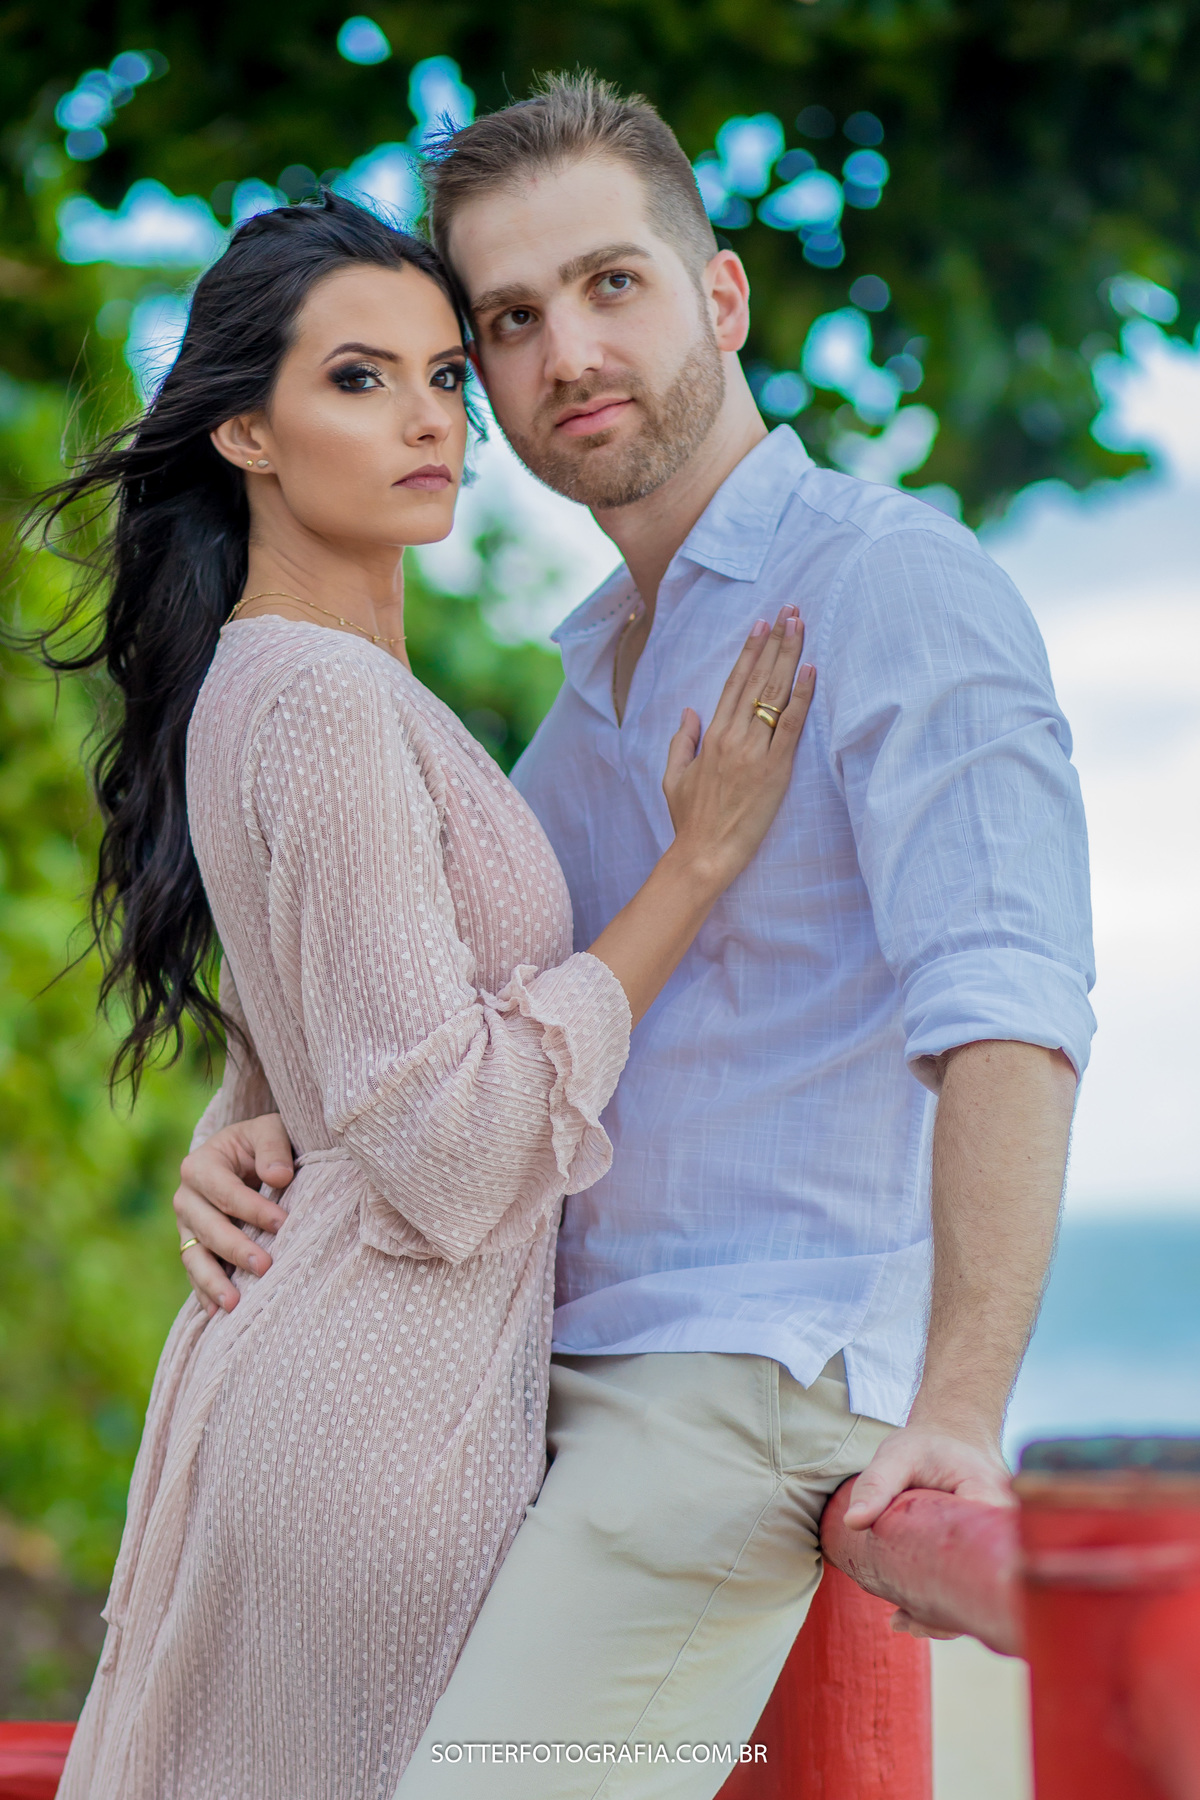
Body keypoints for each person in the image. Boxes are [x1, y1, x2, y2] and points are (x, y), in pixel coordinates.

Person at [175, 76, 1094, 1800]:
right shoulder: (584, 679)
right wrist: (239, 1129)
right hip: (525, 1380)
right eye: (508, 323)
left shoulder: (895, 582)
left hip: (737, 1382)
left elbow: (1009, 1004)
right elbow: (459, 1017)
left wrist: (963, 1407)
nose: (565, 355)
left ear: (721, 296)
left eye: (614, 286)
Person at [26, 190, 812, 1800]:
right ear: (245, 430)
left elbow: (339, 1040)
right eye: (359, 380)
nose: (429, 422)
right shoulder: (315, 699)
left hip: (357, 1390)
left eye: (448, 377)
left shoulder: (297, 685)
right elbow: (449, 1146)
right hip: (386, 1421)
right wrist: (697, 864)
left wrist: (247, 1121)